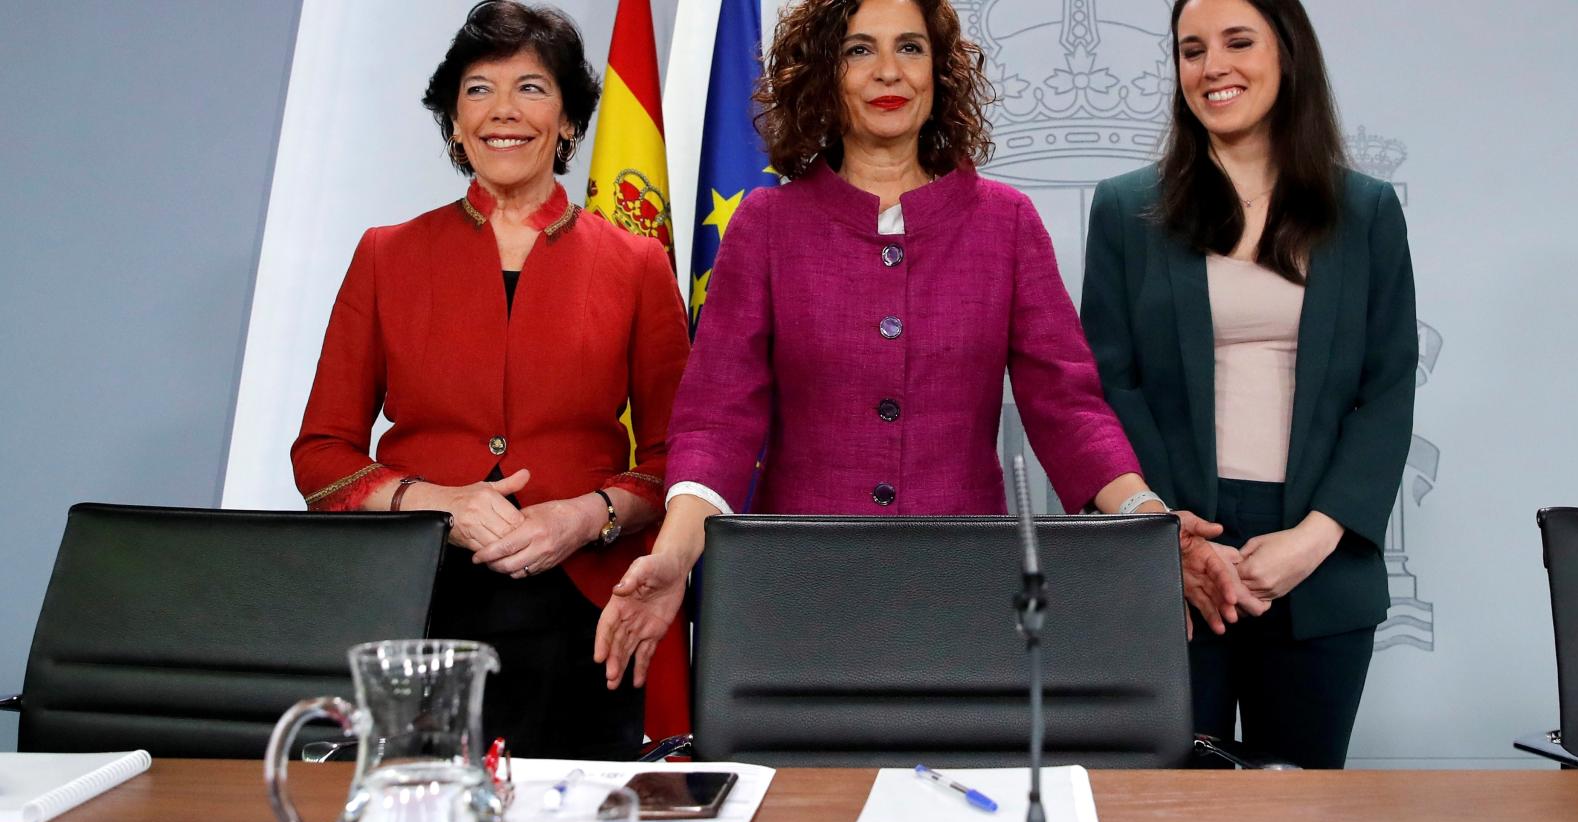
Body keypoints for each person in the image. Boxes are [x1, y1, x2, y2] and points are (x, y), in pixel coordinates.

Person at [594, 0, 1241, 690]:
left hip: (966, 590)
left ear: (939, 71)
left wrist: (1150, 523)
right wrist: (672, 554)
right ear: (824, 73)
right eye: (859, 51)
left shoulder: (1007, 224)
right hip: (802, 596)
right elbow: (718, 421)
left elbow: (1069, 409)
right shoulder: (766, 223)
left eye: (910, 47)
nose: (888, 72)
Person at [290, 0, 690, 760]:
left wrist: (585, 515)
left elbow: (681, 459)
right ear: (452, 121)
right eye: (478, 89)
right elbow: (321, 454)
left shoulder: (636, 266)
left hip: (584, 616)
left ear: (570, 120)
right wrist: (442, 503)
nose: (504, 111)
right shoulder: (386, 254)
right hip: (419, 607)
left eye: (532, 88)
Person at [1079, 0, 1418, 769]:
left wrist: (1315, 537)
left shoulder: (1364, 211)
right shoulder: (1125, 209)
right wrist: (1172, 540)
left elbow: (1387, 387)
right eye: (1191, 50)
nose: (1213, 67)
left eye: (1238, 42)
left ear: (1287, 55)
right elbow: (1109, 385)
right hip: (1174, 545)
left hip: (1319, 555)